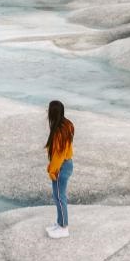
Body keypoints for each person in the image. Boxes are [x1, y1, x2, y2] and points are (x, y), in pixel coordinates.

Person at [45, 99, 74, 238]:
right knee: (58, 196)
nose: (47, 112)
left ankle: (64, 227)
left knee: (59, 197)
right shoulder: (67, 124)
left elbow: (59, 154)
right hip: (66, 164)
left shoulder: (59, 132)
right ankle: (60, 222)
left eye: (48, 110)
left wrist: (52, 170)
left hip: (61, 167)